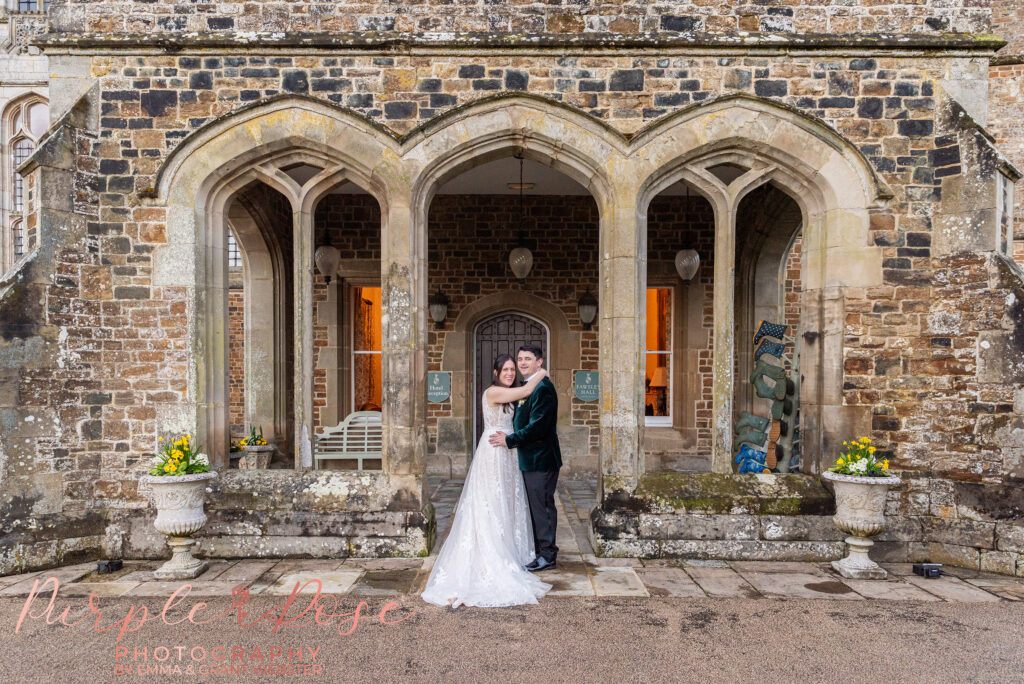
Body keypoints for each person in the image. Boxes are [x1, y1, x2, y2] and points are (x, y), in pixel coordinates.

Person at [420, 354, 552, 609]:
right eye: (506, 369)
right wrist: (542, 373)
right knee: (491, 499)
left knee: (507, 499)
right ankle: (491, 552)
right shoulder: (492, 392)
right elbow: (527, 389)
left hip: (509, 452)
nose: (510, 373)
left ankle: (512, 547)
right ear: (496, 372)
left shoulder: (509, 393)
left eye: (513, 369)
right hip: (493, 451)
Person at [488, 343, 562, 572]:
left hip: (541, 458)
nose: (522, 363)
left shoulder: (543, 389)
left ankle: (548, 556)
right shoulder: (528, 386)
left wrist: (509, 441)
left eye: (527, 359)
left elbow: (538, 427)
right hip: (528, 458)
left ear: (539, 362)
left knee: (543, 508)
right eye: (520, 359)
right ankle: (539, 551)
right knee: (534, 508)